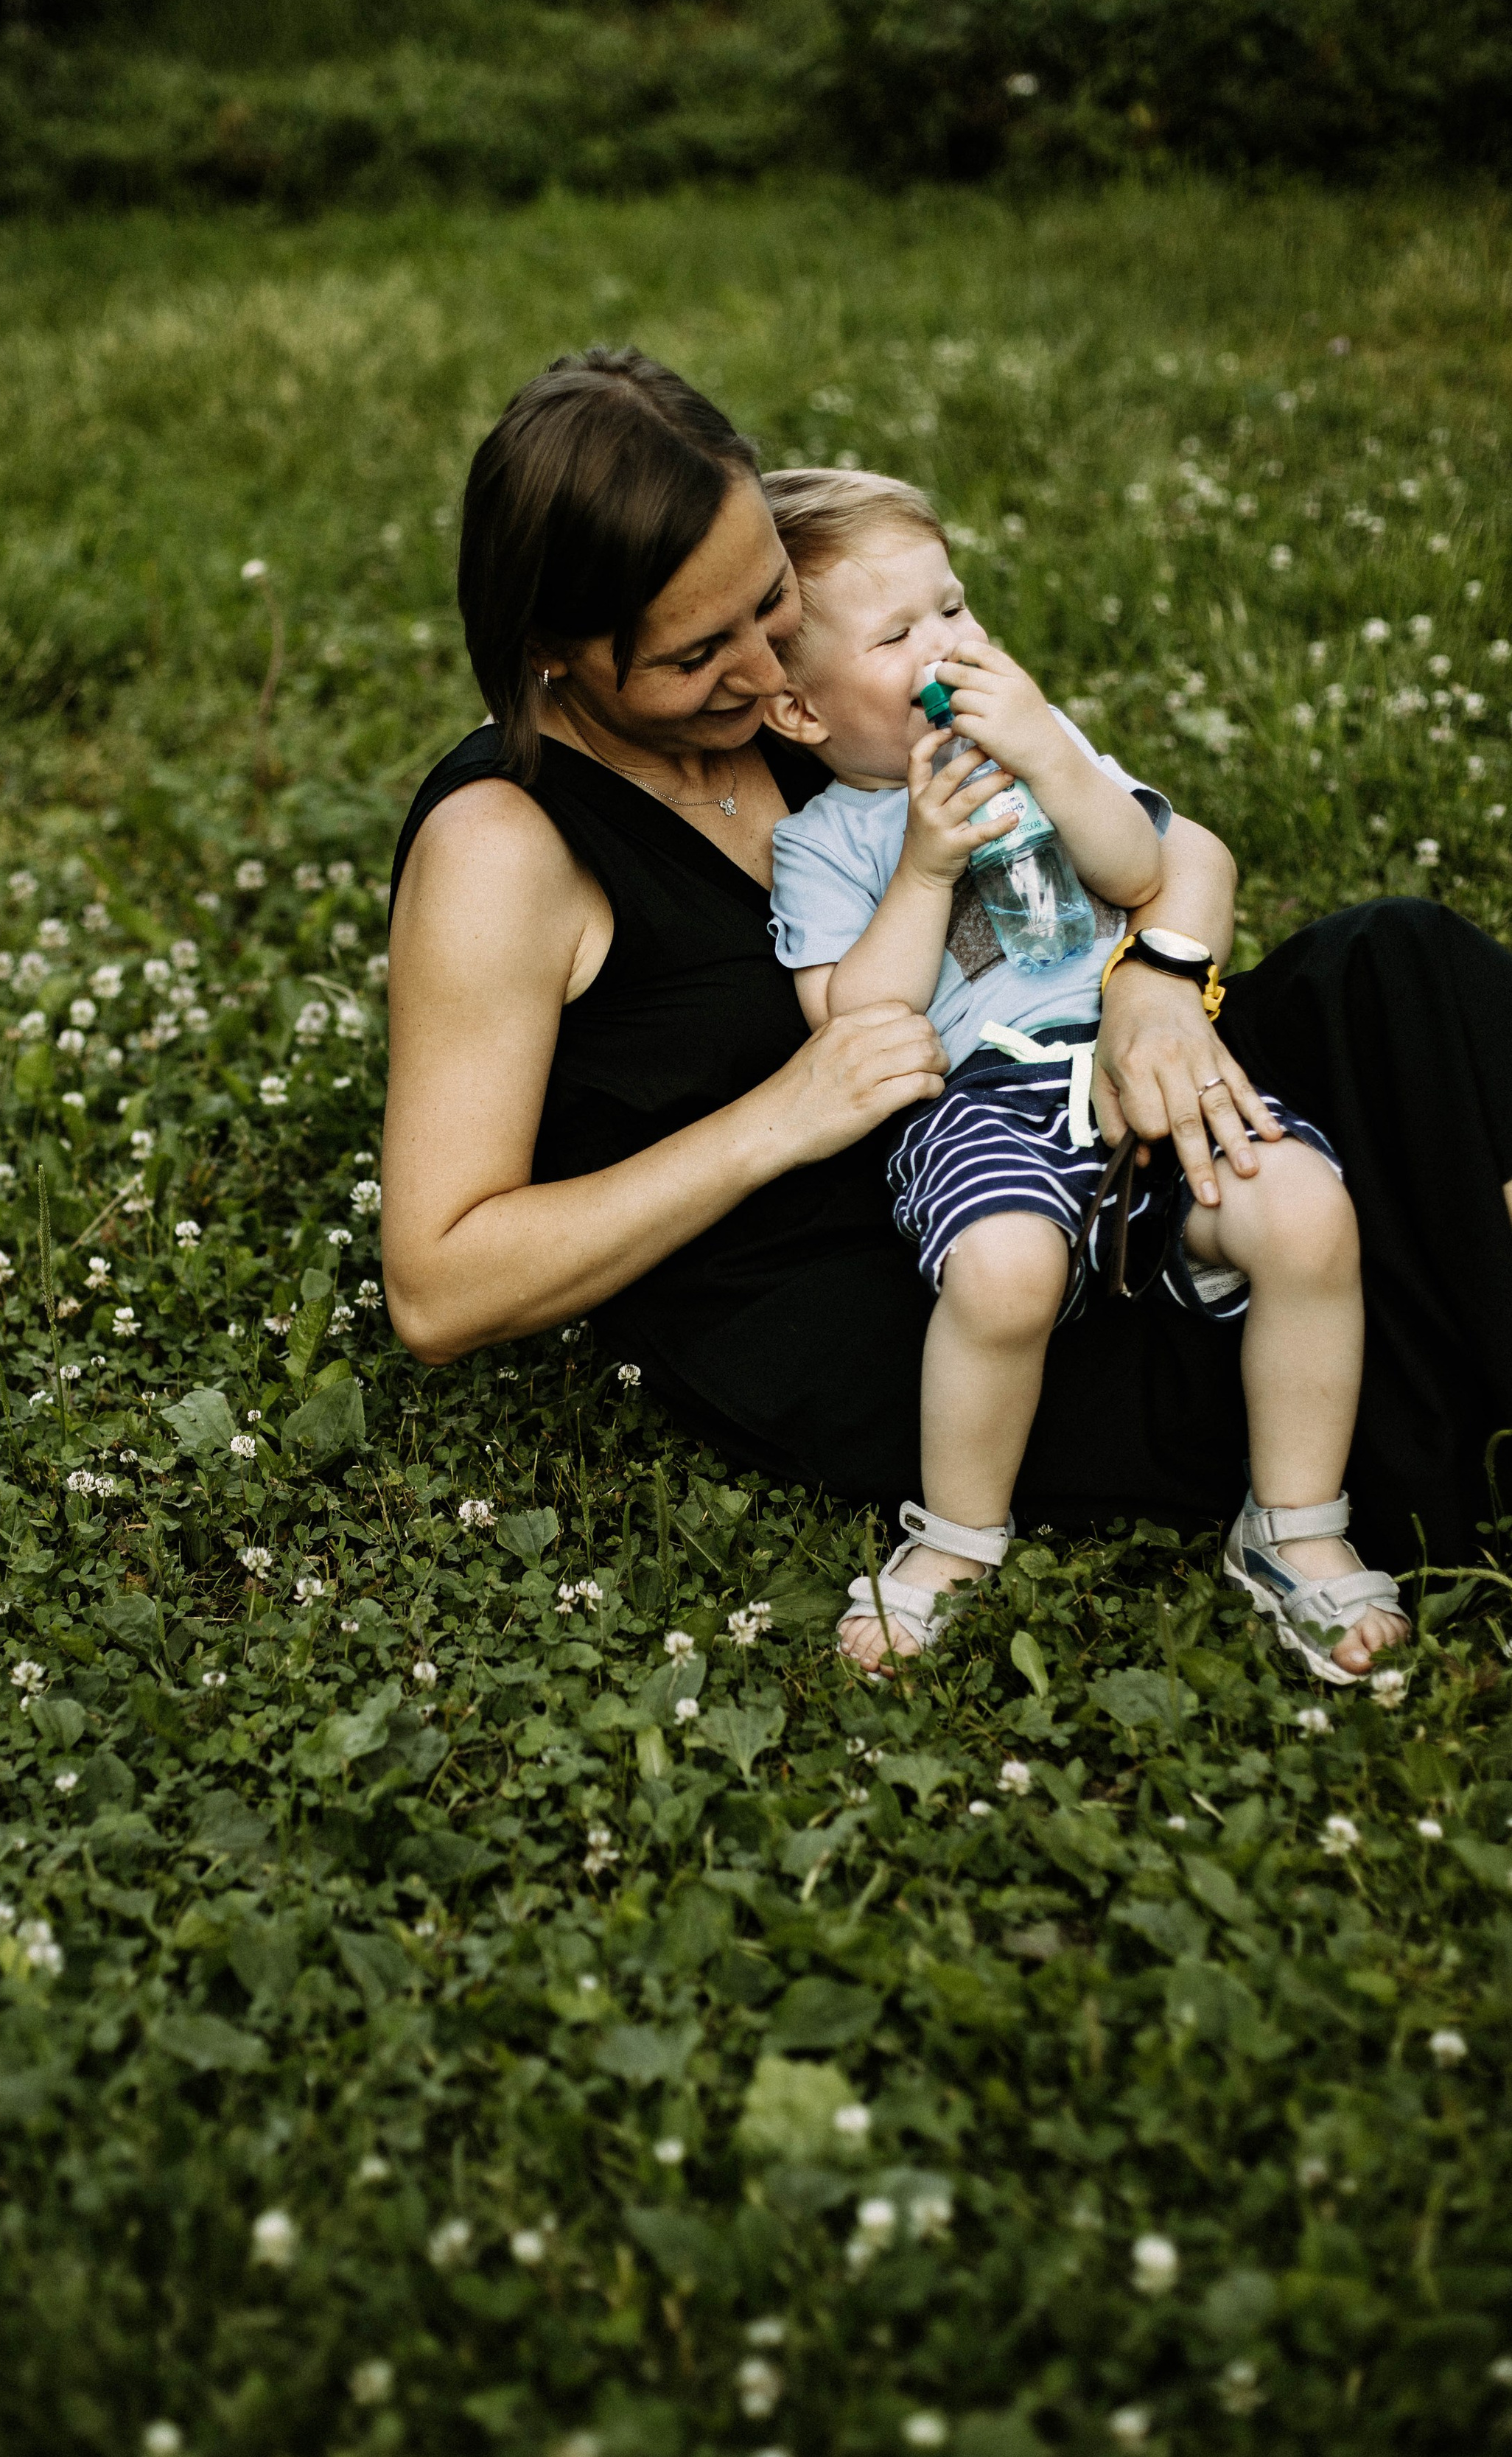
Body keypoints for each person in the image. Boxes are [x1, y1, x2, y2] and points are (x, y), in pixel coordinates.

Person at [381, 345, 1512, 1671]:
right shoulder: (503, 849)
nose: (761, 678)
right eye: (699, 655)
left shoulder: (817, 707)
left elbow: (1173, 846)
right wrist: (777, 1119)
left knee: (1396, 962)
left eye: (773, 607)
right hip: (900, 1279)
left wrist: (1158, 985)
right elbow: (438, 1285)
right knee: (1369, 1348)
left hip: (1065, 1094)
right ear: (554, 659)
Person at [760, 468, 1405, 1680]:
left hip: (1144, 1058)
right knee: (1004, 1274)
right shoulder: (822, 844)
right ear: (800, 714)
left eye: (954, 607)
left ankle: (1296, 1527)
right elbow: (854, 1023)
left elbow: (1142, 869)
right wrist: (926, 868)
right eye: (900, 634)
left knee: (1308, 1214)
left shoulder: (1046, 751)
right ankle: (954, 1540)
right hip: (974, 1099)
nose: (949, 643)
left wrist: (1057, 761)